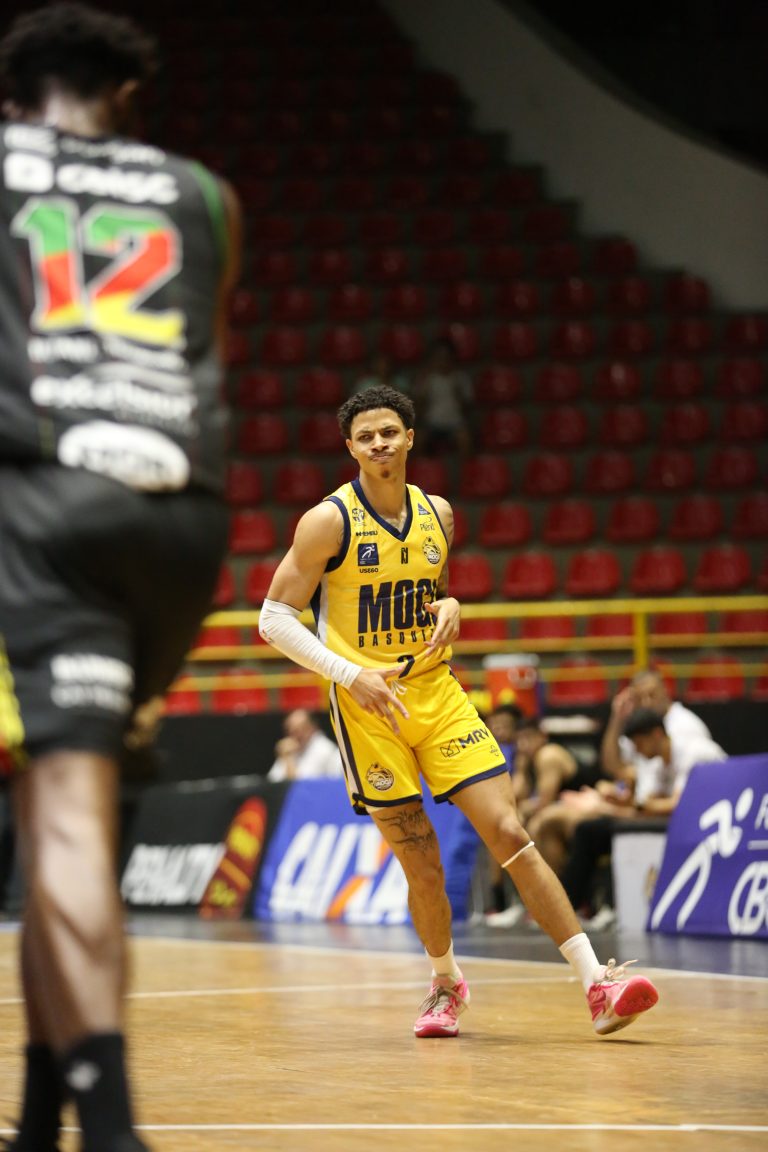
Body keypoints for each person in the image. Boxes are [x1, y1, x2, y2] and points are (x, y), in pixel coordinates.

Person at [0, 5, 240, 1150]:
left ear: (15, 101)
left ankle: (111, 1125)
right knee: (65, 810)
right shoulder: (204, 195)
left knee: (62, 826)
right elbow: (202, 348)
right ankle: (41, 1107)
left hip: (45, 508)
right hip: (182, 526)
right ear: (130, 99)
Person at [259, 384, 658, 1040]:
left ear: (410, 438)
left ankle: (598, 983)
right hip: (367, 707)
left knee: (509, 831)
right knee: (422, 863)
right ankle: (446, 982)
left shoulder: (438, 514)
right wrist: (350, 674)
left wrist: (450, 606)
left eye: (389, 432)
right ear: (350, 448)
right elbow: (273, 618)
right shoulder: (327, 521)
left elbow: (432, 591)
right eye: (366, 436)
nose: (379, 443)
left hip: (439, 694)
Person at [558, 706, 728, 922]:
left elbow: (675, 804)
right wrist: (612, 800)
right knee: (592, 829)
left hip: (721, 819)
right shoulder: (657, 763)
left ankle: (591, 906)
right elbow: (646, 805)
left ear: (656, 734)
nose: (637, 751)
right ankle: (578, 906)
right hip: (691, 820)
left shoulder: (693, 752)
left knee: (599, 829)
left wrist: (605, 807)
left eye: (639, 743)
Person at [601, 668, 712, 787]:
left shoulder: (686, 725)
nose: (646, 703)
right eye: (640, 698)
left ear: (665, 690)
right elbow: (613, 766)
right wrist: (617, 718)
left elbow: (694, 787)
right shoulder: (641, 727)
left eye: (652, 695)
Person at [414, 337, 474, 457]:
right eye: (440, 357)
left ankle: (465, 468)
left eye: (446, 357)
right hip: (432, 423)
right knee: (418, 438)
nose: (443, 361)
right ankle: (419, 467)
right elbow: (418, 407)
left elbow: (467, 409)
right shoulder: (427, 378)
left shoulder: (460, 378)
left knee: (464, 438)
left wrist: (458, 393)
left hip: (455, 423)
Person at [266, 708, 343, 782]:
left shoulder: (324, 748)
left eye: (298, 730)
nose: (295, 735)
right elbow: (272, 781)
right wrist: (286, 757)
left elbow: (300, 784)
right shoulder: (291, 749)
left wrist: (288, 759)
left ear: (312, 728)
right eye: (290, 731)